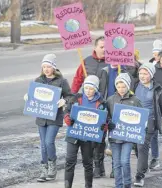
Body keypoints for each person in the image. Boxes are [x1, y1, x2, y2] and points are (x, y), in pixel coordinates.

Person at [23, 54, 71, 182]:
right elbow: (34, 95)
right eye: (44, 66)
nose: (46, 69)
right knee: (43, 144)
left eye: (48, 66)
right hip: (41, 117)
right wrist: (28, 97)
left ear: (54, 67)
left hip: (54, 117)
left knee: (49, 142)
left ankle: (52, 165)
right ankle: (44, 169)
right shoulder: (38, 80)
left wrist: (64, 101)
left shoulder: (61, 81)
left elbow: (70, 96)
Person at [71, 36, 107, 178]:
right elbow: (77, 80)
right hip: (89, 104)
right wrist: (72, 97)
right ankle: (92, 165)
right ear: (95, 48)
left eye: (107, 47)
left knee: (100, 136)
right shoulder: (86, 62)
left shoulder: (113, 63)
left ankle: (99, 165)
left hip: (104, 104)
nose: (104, 50)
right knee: (89, 137)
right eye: (102, 47)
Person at [133, 63, 162, 187]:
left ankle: (140, 175)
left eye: (145, 74)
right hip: (135, 121)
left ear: (151, 75)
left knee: (142, 146)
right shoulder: (134, 85)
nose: (142, 76)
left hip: (150, 121)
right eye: (141, 73)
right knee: (137, 148)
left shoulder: (158, 89)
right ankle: (144, 166)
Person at [64, 75, 107, 188]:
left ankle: (88, 186)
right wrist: (67, 118)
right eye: (86, 88)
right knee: (69, 161)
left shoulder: (101, 103)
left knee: (88, 164)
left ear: (96, 89)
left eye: (91, 88)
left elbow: (105, 120)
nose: (88, 91)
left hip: (88, 138)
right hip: (73, 135)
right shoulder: (76, 98)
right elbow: (67, 110)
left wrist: (104, 126)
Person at [107, 73, 142, 188]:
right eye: (119, 86)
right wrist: (108, 123)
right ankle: (118, 185)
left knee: (125, 161)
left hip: (127, 137)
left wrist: (141, 131)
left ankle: (127, 184)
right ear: (116, 86)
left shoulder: (135, 100)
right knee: (116, 163)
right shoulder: (111, 100)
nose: (121, 89)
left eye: (123, 86)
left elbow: (142, 117)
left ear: (128, 86)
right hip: (115, 137)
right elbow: (106, 116)